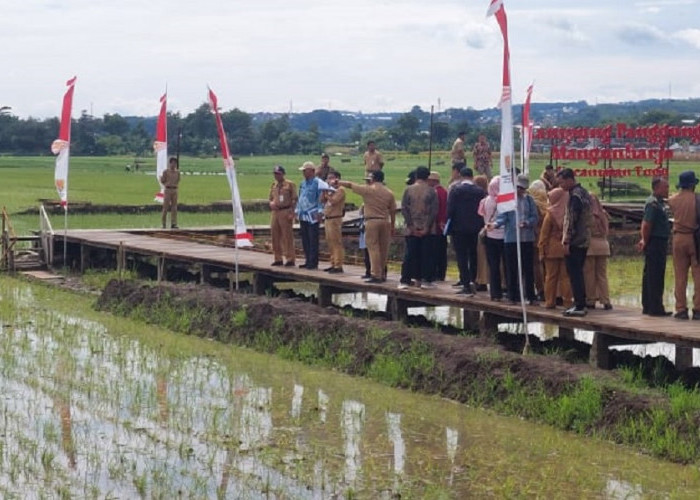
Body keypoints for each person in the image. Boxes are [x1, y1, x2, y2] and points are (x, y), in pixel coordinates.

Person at [339, 170, 396, 283]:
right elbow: (393, 211)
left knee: (373, 248)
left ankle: (376, 274)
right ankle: (383, 273)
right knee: (383, 248)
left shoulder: (368, 189)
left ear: (373, 178)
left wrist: (338, 182)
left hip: (372, 221)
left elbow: (350, 184)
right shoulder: (389, 192)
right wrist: (393, 226)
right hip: (385, 221)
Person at [491, 174, 539, 305]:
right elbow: (502, 217)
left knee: (528, 269)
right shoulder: (507, 200)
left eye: (522, 188)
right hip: (511, 239)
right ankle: (513, 296)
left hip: (527, 238)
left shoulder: (529, 200)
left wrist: (527, 223)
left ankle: (531, 296)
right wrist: (495, 225)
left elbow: (535, 217)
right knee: (512, 268)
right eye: (518, 187)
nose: (520, 190)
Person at [557, 167, 592, 317]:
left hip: (576, 240)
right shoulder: (583, 192)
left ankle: (579, 304)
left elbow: (571, 219)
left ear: (569, 179)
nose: (561, 186)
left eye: (562, 182)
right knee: (578, 272)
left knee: (574, 273)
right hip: (584, 239)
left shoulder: (575, 197)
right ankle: (580, 303)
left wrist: (566, 241)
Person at [447, 167, 486, 296]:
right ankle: (473, 280)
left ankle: (465, 283)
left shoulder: (456, 190)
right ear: (471, 176)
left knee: (461, 256)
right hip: (476, 227)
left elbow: (450, 209)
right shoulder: (480, 191)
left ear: (461, 176)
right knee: (473, 255)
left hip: (459, 228)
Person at [667, 170, 700, 320]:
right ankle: (698, 309)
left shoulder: (673, 200)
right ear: (693, 185)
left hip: (678, 238)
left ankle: (681, 309)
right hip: (695, 239)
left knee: (680, 276)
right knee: (698, 275)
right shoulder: (697, 199)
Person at [399, 167, 438, 289]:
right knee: (427, 255)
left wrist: (411, 226)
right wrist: (426, 227)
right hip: (428, 229)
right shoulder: (432, 191)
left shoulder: (408, 190)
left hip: (412, 228)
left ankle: (405, 280)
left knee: (410, 255)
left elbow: (404, 209)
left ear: (416, 176)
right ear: (427, 177)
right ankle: (426, 280)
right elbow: (434, 211)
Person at [638, 176, 671, 317]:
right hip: (655, 242)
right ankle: (655, 308)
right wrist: (645, 241)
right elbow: (646, 224)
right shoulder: (653, 204)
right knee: (655, 275)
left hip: (657, 241)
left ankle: (649, 305)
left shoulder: (660, 202)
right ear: (657, 188)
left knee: (652, 274)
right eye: (665, 187)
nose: (667, 189)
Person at [538, 187, 572, 309]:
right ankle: (568, 302)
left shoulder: (550, 214)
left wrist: (541, 249)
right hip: (565, 248)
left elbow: (544, 234)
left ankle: (550, 301)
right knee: (565, 277)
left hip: (551, 249)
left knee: (551, 277)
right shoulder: (569, 212)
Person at [478, 176, 505, 301]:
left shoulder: (485, 201)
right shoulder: (504, 201)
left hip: (490, 236)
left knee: (493, 266)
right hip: (504, 236)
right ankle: (508, 289)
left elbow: (483, 217)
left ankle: (495, 293)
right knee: (506, 265)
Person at [584, 194, 612, 310]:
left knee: (589, 275)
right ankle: (605, 300)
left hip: (590, 246)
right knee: (602, 275)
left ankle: (591, 300)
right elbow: (607, 230)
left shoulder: (587, 215)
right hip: (603, 245)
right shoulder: (603, 214)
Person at [295, 161, 325, 270]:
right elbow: (300, 197)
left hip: (313, 214)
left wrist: (320, 211)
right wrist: (297, 211)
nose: (303, 173)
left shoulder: (318, 183)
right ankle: (307, 260)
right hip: (303, 214)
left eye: (305, 170)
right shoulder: (302, 183)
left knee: (313, 238)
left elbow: (321, 198)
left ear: (312, 171)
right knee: (305, 238)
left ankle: (313, 261)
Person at [268, 165, 298, 267]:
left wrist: (292, 212)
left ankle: (290, 258)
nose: (276, 176)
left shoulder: (289, 185)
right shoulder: (273, 185)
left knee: (287, 236)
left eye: (278, 174)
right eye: (275, 174)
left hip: (286, 210)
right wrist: (271, 203)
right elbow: (270, 198)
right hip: (276, 211)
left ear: (283, 174)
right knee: (275, 235)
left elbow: (294, 199)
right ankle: (278, 258)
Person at [528, 179, 548, 300]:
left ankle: (541, 289)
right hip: (546, 238)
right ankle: (549, 290)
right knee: (546, 265)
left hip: (535, 237)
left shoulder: (532, 204)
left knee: (536, 265)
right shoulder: (548, 203)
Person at [323, 170, 346, 273]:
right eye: (328, 178)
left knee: (336, 242)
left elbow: (333, 201)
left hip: (335, 218)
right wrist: (325, 191)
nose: (329, 180)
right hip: (327, 218)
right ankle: (333, 262)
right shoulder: (329, 190)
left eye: (331, 178)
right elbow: (322, 200)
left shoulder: (340, 190)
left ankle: (338, 265)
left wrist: (327, 194)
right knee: (330, 242)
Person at [427, 171, 448, 281]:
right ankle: (441, 273)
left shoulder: (434, 192)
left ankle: (436, 272)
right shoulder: (445, 191)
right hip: (443, 225)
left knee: (434, 250)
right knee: (442, 251)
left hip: (436, 225)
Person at [473, 175, 490, 292]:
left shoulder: (483, 200)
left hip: (482, 231)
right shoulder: (490, 197)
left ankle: (481, 281)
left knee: (482, 259)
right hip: (493, 231)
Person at [160, 156, 181, 229]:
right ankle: (163, 223)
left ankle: (173, 223)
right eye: (172, 163)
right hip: (168, 190)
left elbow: (178, 180)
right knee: (165, 207)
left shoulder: (177, 172)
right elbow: (162, 180)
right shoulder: (166, 172)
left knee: (174, 207)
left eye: (175, 163)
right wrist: (167, 184)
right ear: (169, 163)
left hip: (175, 189)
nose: (174, 164)